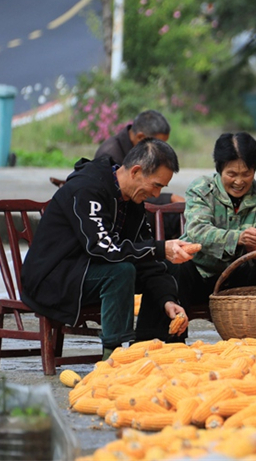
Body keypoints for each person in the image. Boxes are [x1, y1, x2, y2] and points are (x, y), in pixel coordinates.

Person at [21, 138, 196, 359]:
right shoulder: (86, 188)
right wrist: (160, 248)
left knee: (170, 268)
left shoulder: (133, 202)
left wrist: (167, 300)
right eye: (156, 185)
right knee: (121, 271)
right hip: (55, 278)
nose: (155, 194)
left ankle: (149, 346)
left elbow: (146, 255)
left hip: (92, 272)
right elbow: (102, 248)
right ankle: (113, 355)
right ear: (135, 171)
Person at [173, 132, 256, 318]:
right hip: (200, 275)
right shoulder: (201, 190)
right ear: (220, 169)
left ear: (255, 169)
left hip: (237, 280)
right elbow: (197, 231)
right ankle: (176, 337)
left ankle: (254, 329)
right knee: (179, 267)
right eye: (232, 174)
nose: (239, 181)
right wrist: (238, 238)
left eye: (246, 174)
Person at [95, 109, 184, 237]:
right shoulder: (110, 154)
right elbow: (132, 191)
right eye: (158, 145)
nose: (162, 150)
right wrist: (167, 198)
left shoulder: (132, 149)